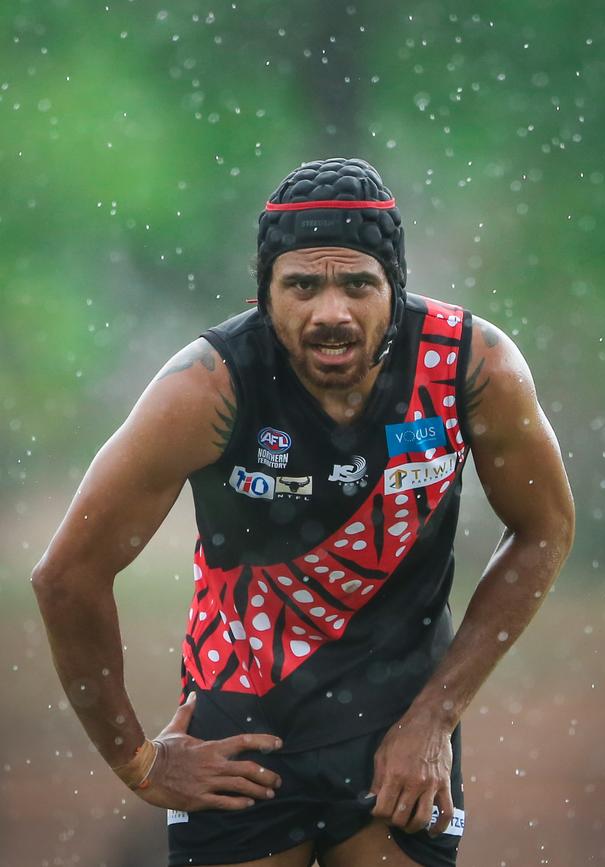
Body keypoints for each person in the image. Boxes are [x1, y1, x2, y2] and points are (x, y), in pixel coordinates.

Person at [32, 157, 575, 867]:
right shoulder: (209, 385)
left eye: (357, 283)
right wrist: (138, 760)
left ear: (395, 288)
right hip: (242, 731)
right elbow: (66, 575)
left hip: (399, 729)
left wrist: (435, 717)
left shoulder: (473, 368)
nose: (331, 313)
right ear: (265, 294)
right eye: (301, 285)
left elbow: (545, 531)